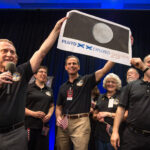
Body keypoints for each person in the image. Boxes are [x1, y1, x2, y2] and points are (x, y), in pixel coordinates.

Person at [0, 17, 66, 150]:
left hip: (16, 134)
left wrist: (56, 30)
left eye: (12, 52)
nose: (9, 54)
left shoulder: (21, 72)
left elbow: (41, 53)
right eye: (4, 51)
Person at [55, 55, 114, 150]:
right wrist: (58, 117)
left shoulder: (86, 80)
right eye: (69, 64)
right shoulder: (62, 87)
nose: (72, 65)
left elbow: (104, 70)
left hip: (81, 122)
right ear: (66, 67)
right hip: (64, 122)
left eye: (74, 63)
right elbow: (58, 107)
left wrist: (117, 55)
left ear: (78, 67)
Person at [111, 57, 150, 150]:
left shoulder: (143, 66)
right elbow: (121, 109)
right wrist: (115, 131)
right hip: (132, 136)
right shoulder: (132, 85)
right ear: (143, 64)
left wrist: (143, 66)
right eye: (149, 62)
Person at [25, 66, 54, 150]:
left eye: (45, 72)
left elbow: (52, 106)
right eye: (41, 72)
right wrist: (33, 114)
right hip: (29, 126)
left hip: (43, 127)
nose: (43, 74)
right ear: (35, 75)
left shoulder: (49, 90)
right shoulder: (28, 88)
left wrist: (49, 114)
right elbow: (20, 107)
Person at [93, 73, 122, 150]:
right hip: (99, 135)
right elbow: (94, 115)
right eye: (108, 82)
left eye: (113, 82)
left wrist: (108, 114)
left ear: (117, 84)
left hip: (114, 135)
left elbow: (125, 116)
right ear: (105, 84)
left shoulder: (122, 97)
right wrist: (97, 116)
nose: (110, 84)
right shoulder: (100, 97)